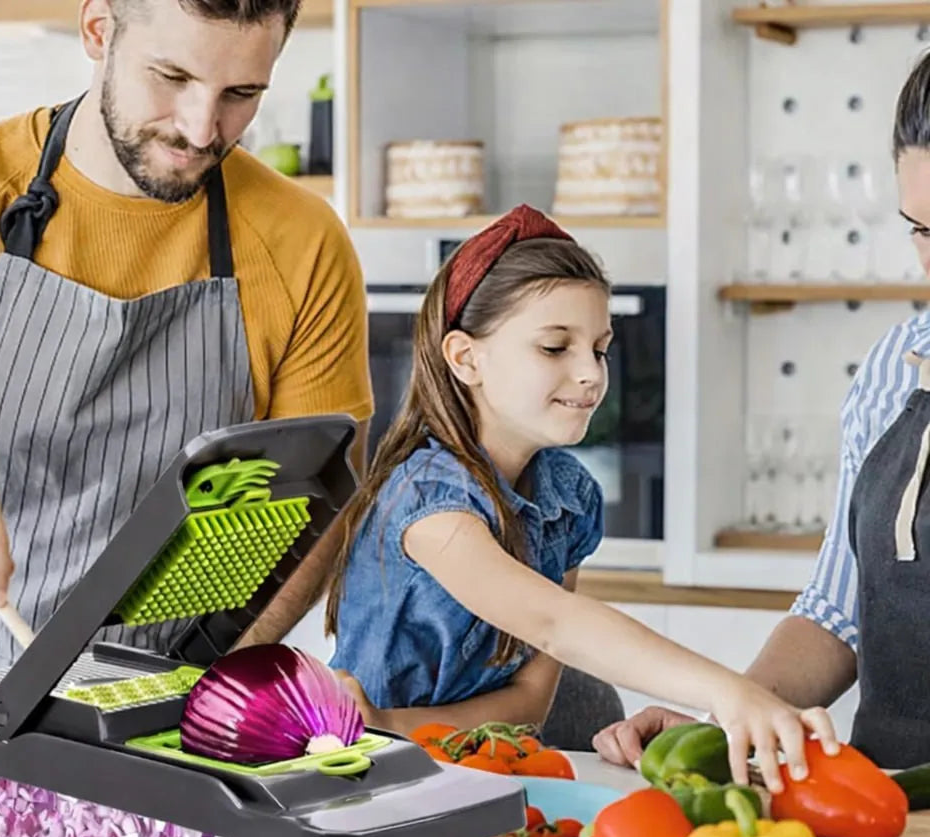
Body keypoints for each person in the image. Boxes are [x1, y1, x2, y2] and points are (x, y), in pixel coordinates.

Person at [0, 0, 372, 711]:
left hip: (160, 700)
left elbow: (315, 506)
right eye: (171, 76)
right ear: (99, 30)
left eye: (240, 94)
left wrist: (214, 691)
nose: (200, 128)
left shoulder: (304, 243)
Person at [324, 204, 839, 792]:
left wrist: (394, 726)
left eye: (599, 347)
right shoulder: (428, 501)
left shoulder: (568, 499)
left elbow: (528, 702)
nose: (591, 374)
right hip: (372, 783)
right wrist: (731, 691)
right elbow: (553, 623)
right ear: (466, 358)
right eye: (554, 348)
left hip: (475, 771)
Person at [593, 49, 930, 773]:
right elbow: (840, 612)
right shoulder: (893, 368)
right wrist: (726, 718)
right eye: (922, 231)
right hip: (891, 807)